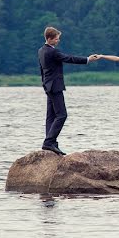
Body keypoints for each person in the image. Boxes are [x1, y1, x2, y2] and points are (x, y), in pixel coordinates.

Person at [38, 27, 98, 155]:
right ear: (49, 39)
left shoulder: (41, 50)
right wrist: (87, 59)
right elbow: (69, 58)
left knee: (51, 116)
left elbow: (41, 71)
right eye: (56, 38)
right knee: (62, 115)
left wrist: (44, 84)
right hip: (55, 86)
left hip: (48, 86)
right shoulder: (52, 52)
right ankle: (49, 142)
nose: (58, 40)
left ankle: (51, 143)